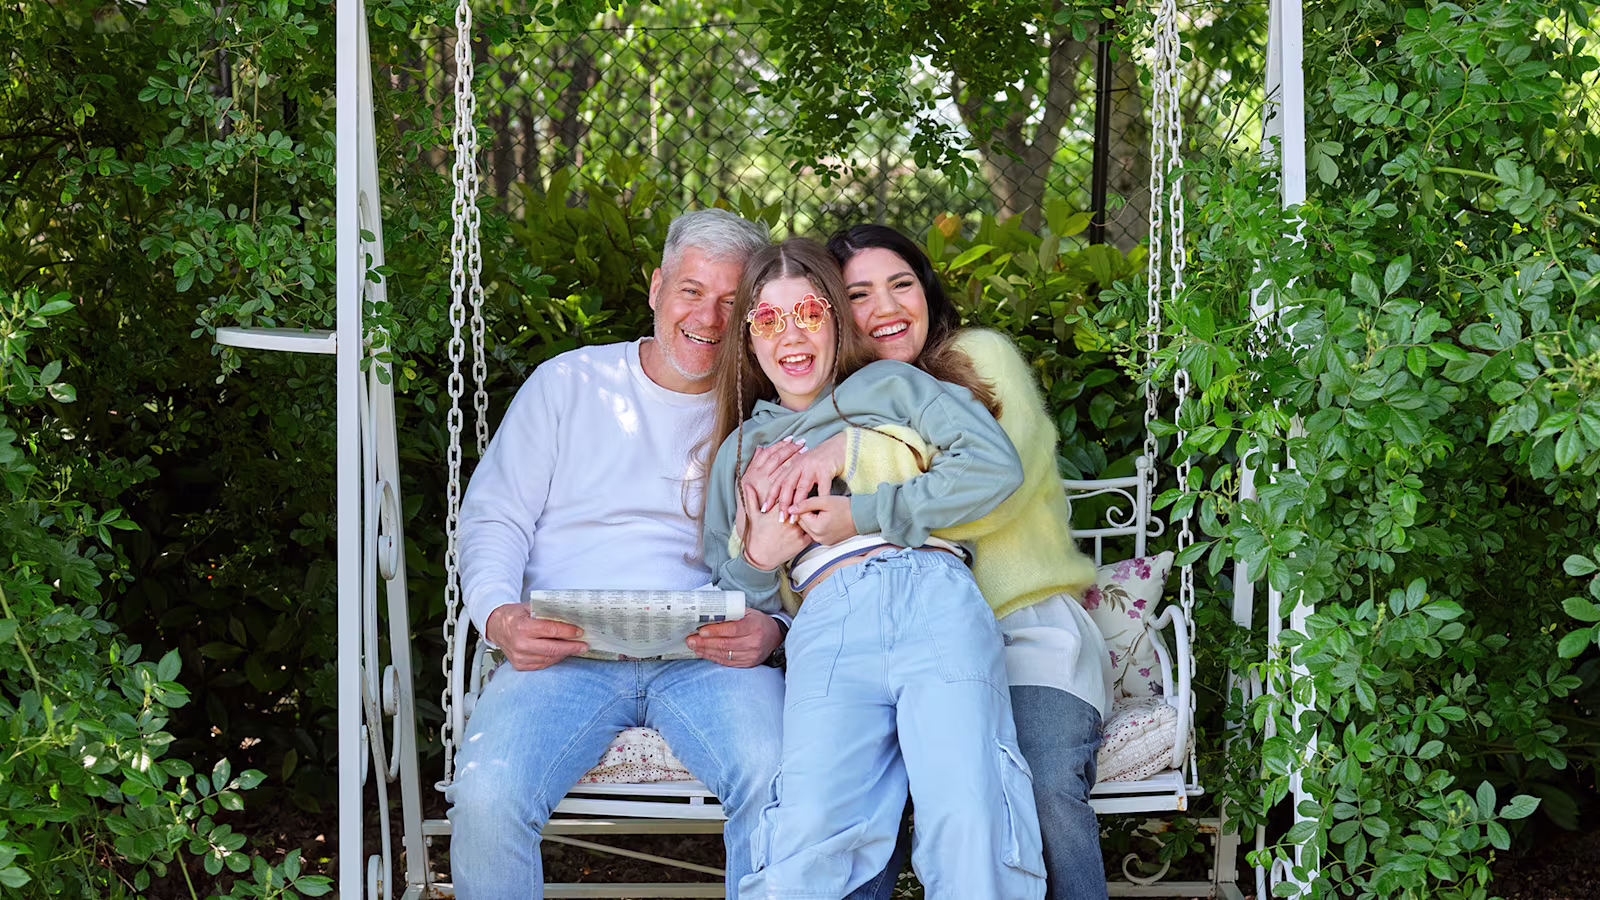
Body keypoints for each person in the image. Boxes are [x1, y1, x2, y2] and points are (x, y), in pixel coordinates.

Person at [754, 224, 1113, 900]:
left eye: (902, 284)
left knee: (1032, 784)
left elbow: (992, 492)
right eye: (859, 293)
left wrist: (850, 464)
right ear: (831, 310)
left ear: (928, 292)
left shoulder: (980, 356)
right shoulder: (826, 406)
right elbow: (801, 561)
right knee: (854, 804)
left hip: (1021, 633)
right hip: (882, 644)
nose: (886, 307)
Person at [446, 209, 787, 900]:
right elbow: (494, 516)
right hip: (566, 651)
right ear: (657, 287)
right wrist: (501, 618)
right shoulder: (569, 386)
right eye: (692, 291)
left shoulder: (767, 412)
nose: (709, 318)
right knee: (486, 797)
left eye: (731, 302)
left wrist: (775, 627)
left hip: (708, 657)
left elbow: (800, 551)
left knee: (782, 779)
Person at [701, 237, 1046, 900]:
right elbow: (729, 597)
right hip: (829, 624)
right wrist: (758, 558)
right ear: (747, 338)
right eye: (767, 320)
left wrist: (862, 513)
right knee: (809, 829)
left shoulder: (892, 386)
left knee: (970, 812)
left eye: (807, 313)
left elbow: (992, 468)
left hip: (933, 595)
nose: (790, 337)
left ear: (835, 316)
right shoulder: (742, 451)